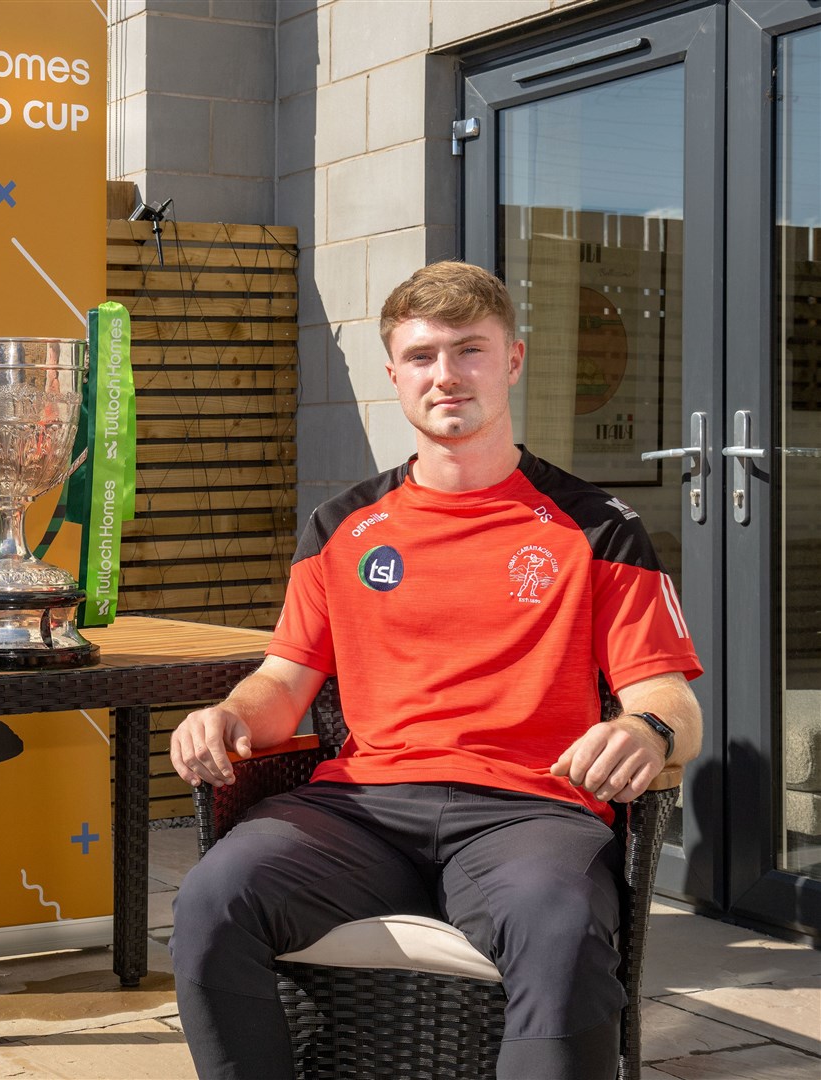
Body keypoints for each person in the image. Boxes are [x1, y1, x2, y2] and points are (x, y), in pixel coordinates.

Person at [168, 261, 703, 1080]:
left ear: (513, 361)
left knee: (557, 928)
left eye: (470, 350)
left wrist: (645, 727)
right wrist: (230, 716)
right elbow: (283, 679)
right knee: (213, 898)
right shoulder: (341, 525)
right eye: (422, 356)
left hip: (528, 815)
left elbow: (670, 697)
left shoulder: (598, 527)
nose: (445, 376)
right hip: (360, 811)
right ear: (394, 375)